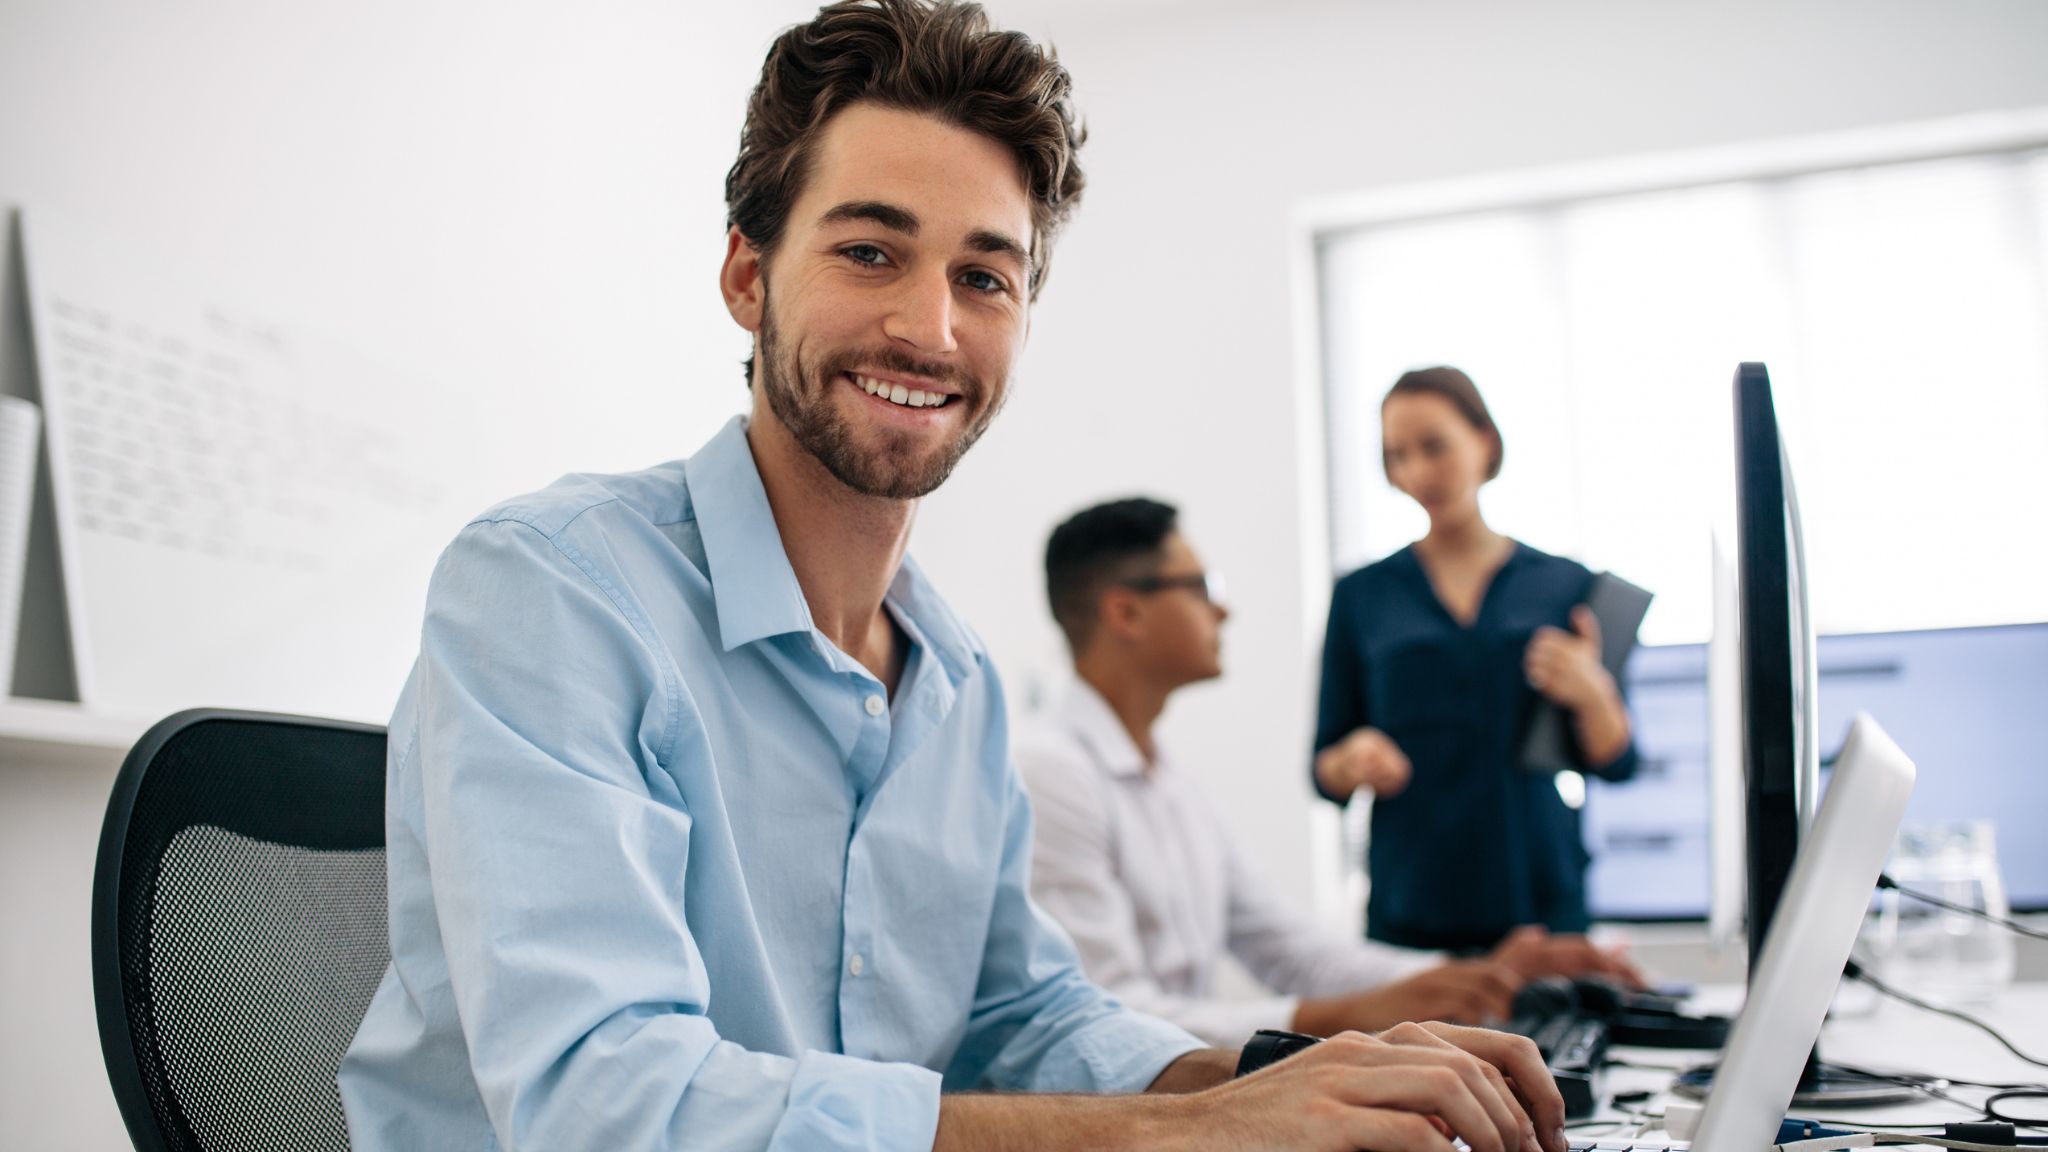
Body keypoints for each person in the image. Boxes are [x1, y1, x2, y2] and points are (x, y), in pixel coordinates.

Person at [339, 5, 1568, 1152]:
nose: (930, 329)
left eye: (983, 276)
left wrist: (1288, 1078)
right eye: (870, 250)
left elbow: (1025, 1014)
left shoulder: (957, 684)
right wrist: (1181, 1134)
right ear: (746, 277)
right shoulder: (554, 593)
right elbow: (605, 1099)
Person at [1019, 498, 1641, 1050]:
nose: (1225, 609)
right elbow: (1111, 1019)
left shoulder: (1172, 780)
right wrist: (1351, 1016)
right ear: (1126, 613)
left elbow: (1290, 950)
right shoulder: (1052, 773)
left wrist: (1478, 973)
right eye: (1202, 585)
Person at [1313, 366, 1642, 954]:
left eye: (1433, 447)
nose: (1417, 472)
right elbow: (1322, 768)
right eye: (1398, 456)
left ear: (1484, 441)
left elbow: (1619, 762)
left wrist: (1591, 693)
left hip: (1540, 902)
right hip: (1411, 910)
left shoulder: (1567, 586)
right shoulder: (1362, 596)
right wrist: (1352, 759)